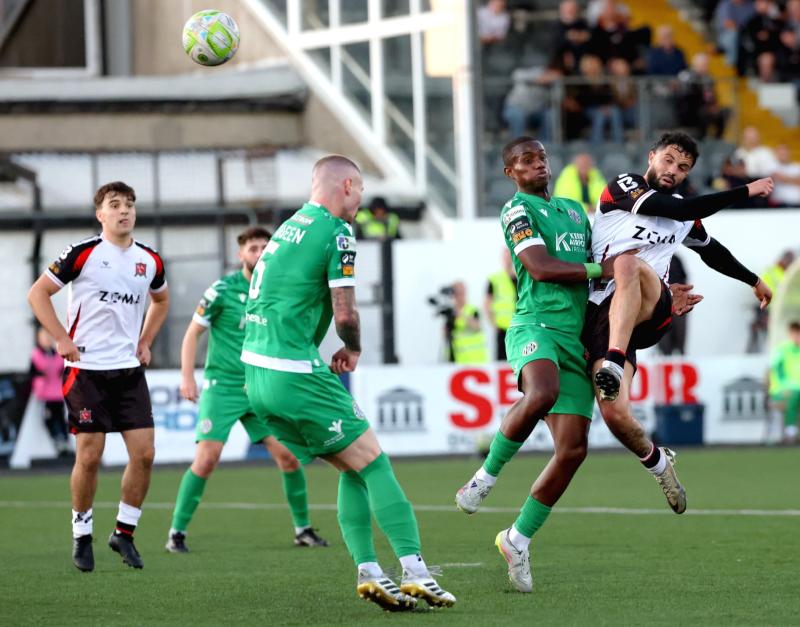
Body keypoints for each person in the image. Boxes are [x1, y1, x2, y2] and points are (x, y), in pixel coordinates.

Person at [454, 137, 686, 593]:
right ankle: (483, 479)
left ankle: (517, 540)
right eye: (526, 161)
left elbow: (606, 270)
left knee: (574, 449)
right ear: (510, 173)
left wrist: (660, 295)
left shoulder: (576, 212)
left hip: (576, 337)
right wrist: (608, 269)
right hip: (536, 324)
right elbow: (541, 267)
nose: (537, 164)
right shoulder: (516, 210)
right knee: (541, 392)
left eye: (541, 157)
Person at [241, 155, 455, 611]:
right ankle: (415, 570)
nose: (360, 202)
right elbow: (346, 313)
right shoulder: (336, 231)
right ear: (347, 186)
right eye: (359, 191)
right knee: (375, 463)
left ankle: (370, 572)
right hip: (294, 372)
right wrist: (352, 347)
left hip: (256, 376)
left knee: (351, 467)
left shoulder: (288, 227)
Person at [586, 132, 773, 514]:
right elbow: (681, 211)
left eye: (683, 167)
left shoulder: (682, 215)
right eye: (669, 160)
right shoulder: (624, 187)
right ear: (651, 156)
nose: (673, 170)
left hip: (650, 310)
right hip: (603, 315)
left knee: (627, 262)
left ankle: (615, 361)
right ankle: (659, 463)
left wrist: (753, 279)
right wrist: (743, 190)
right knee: (616, 415)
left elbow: (712, 251)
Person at [27, 181, 169, 572]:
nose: (124, 211)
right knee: (89, 457)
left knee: (145, 454)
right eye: (115, 204)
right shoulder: (83, 252)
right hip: (86, 371)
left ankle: (124, 533)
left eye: (130, 205)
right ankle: (82, 534)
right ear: (100, 214)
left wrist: (145, 341)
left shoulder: (150, 259)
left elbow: (161, 300)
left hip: (128, 371)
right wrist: (61, 338)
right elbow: (37, 293)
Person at [166, 227, 328, 554]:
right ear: (240, 254)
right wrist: (187, 377)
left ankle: (303, 529)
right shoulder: (222, 290)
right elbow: (192, 333)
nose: (260, 253)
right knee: (207, 459)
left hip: (259, 385)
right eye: (253, 248)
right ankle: (176, 533)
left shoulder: (278, 289)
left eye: (265, 247)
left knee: (289, 457)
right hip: (223, 388)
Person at [29, 327, 70, 455]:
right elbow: (32, 373)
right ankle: (56, 438)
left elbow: (63, 370)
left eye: (48, 337)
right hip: (44, 394)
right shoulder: (36, 355)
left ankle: (64, 439)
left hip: (57, 393)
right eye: (44, 337)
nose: (47, 340)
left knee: (60, 416)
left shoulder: (57, 354)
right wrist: (41, 378)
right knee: (49, 418)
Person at [769, 321, 800, 443]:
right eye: (796, 334)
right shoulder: (782, 350)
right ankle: (790, 433)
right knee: (792, 395)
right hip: (781, 391)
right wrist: (783, 387)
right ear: (791, 334)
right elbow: (775, 371)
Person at [485, 249, 517, 361]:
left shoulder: (519, 278)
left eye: (509, 257)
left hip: (518, 326)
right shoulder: (494, 279)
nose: (507, 260)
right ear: (502, 259)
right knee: (502, 360)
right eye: (505, 257)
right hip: (501, 328)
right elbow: (487, 304)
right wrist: (494, 324)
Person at [450, 281, 488, 364]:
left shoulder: (473, 310)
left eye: (461, 292)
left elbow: (477, 327)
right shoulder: (450, 313)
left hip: (476, 360)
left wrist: (462, 315)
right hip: (457, 360)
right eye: (456, 293)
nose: (460, 296)